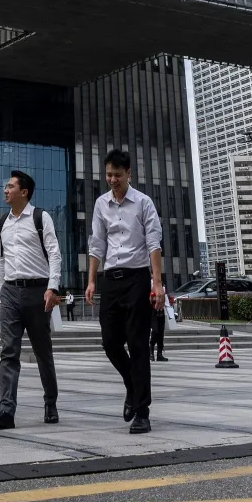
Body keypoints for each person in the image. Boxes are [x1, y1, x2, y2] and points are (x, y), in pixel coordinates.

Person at [85, 148, 163, 434]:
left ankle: (142, 411)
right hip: (111, 280)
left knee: (139, 344)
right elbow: (97, 244)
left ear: (129, 174)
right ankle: (132, 384)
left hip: (138, 279)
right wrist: (92, 280)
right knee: (110, 342)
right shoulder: (100, 204)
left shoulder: (143, 203)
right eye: (108, 174)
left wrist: (157, 284)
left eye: (118, 175)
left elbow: (154, 243)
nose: (112, 180)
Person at [0, 169, 64, 430]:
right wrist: (1, 292)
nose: (5, 191)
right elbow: (3, 259)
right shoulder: (2, 223)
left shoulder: (41, 217)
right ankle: (6, 410)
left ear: (24, 192)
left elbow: (54, 254)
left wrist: (52, 288)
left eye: (10, 187)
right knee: (9, 351)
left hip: (38, 292)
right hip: (10, 293)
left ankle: (50, 402)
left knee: (43, 352)